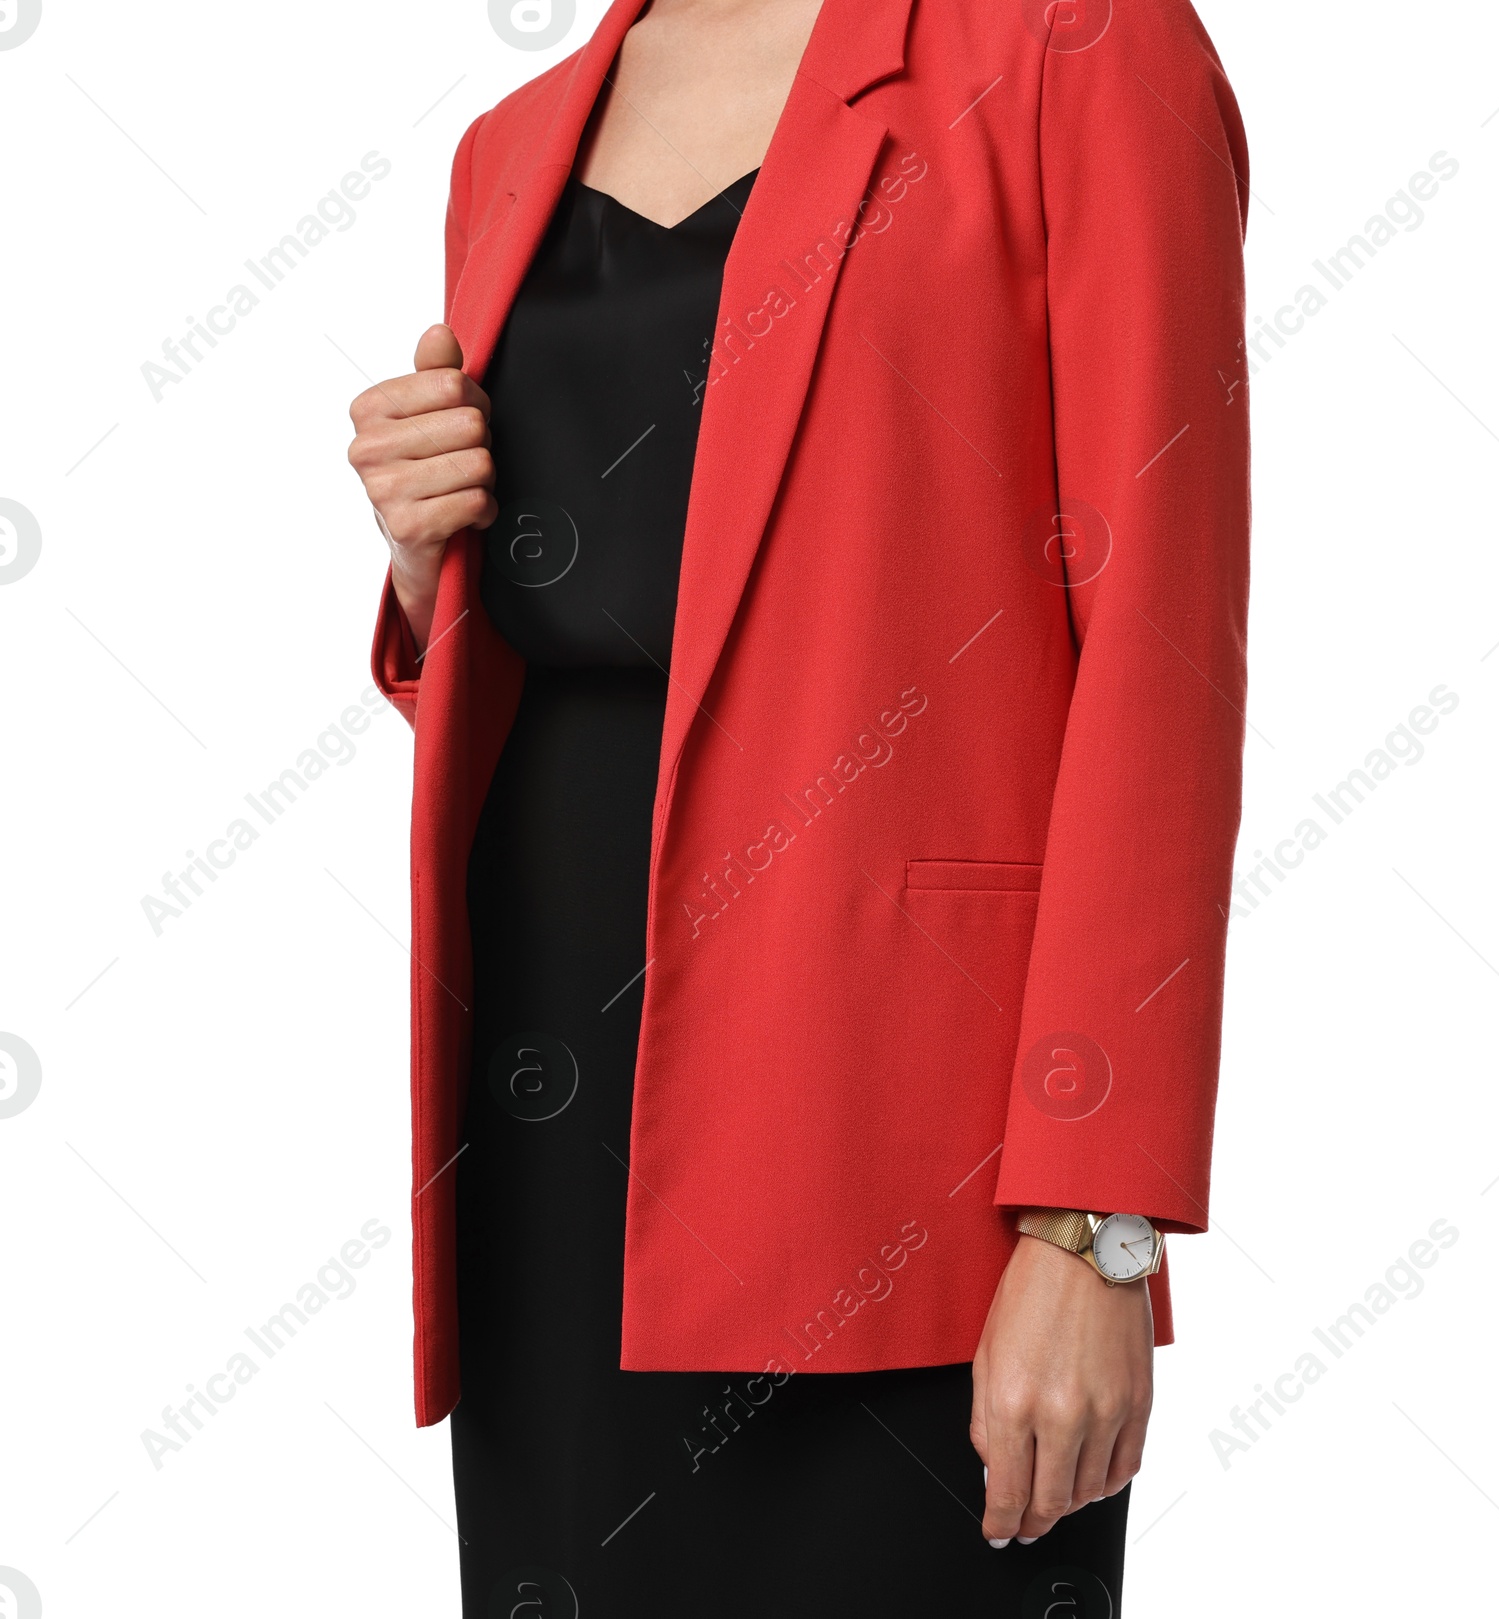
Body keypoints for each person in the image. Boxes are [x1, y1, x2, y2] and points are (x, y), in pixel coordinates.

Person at [346, 0, 1250, 1612]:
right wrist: (433, 568)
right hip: (551, 1111)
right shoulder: (509, 146)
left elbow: (1164, 650)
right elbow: (596, 620)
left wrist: (1095, 1221)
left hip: (898, 1131)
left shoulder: (1075, 51)